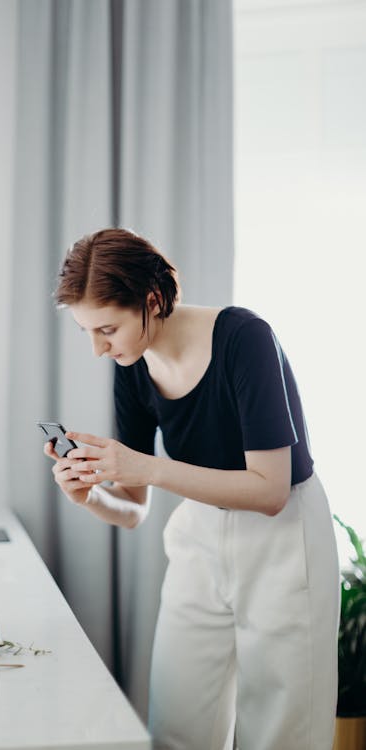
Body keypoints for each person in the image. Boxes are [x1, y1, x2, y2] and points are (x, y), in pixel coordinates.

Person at [43, 227, 340, 750]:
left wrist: (147, 468)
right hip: (198, 540)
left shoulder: (244, 339)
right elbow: (134, 511)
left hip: (284, 542)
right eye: (89, 332)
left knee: (280, 732)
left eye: (106, 329)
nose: (98, 348)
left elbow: (269, 491)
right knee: (177, 728)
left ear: (151, 301)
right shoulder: (131, 367)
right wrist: (88, 496)